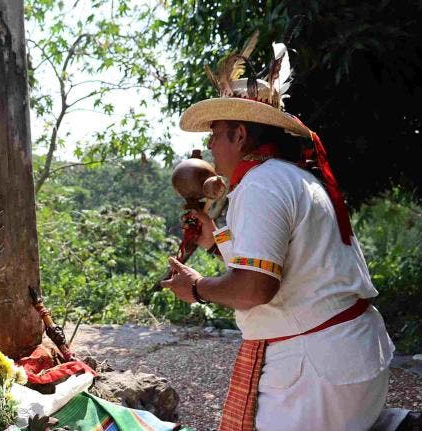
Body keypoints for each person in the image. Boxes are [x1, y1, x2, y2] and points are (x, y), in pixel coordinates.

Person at [161, 34, 395, 431]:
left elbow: (254, 290)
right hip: (347, 358)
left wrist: (198, 288)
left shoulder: (261, 185)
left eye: (216, 134)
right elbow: (289, 265)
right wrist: (214, 239)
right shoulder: (288, 176)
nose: (212, 145)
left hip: (319, 371)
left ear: (238, 135)